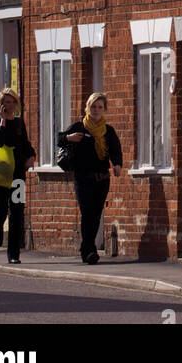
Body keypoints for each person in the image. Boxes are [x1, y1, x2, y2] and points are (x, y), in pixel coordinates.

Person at [58, 91, 123, 264]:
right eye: (93, 106)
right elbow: (60, 140)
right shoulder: (79, 127)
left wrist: (117, 164)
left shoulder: (108, 131)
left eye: (100, 107)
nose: (96, 110)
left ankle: (87, 248)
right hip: (83, 178)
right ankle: (89, 249)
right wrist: (68, 137)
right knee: (87, 213)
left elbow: (116, 149)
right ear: (88, 108)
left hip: (102, 179)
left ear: (104, 110)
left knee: (96, 214)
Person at [0, 87, 36, 264]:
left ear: (16, 104)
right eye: (4, 102)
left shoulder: (20, 123)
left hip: (17, 175)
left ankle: (13, 254)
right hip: (1, 175)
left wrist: (32, 156)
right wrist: (3, 123)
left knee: (17, 212)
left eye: (11, 102)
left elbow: (26, 143)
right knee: (1, 211)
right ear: (0, 105)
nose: (7, 105)